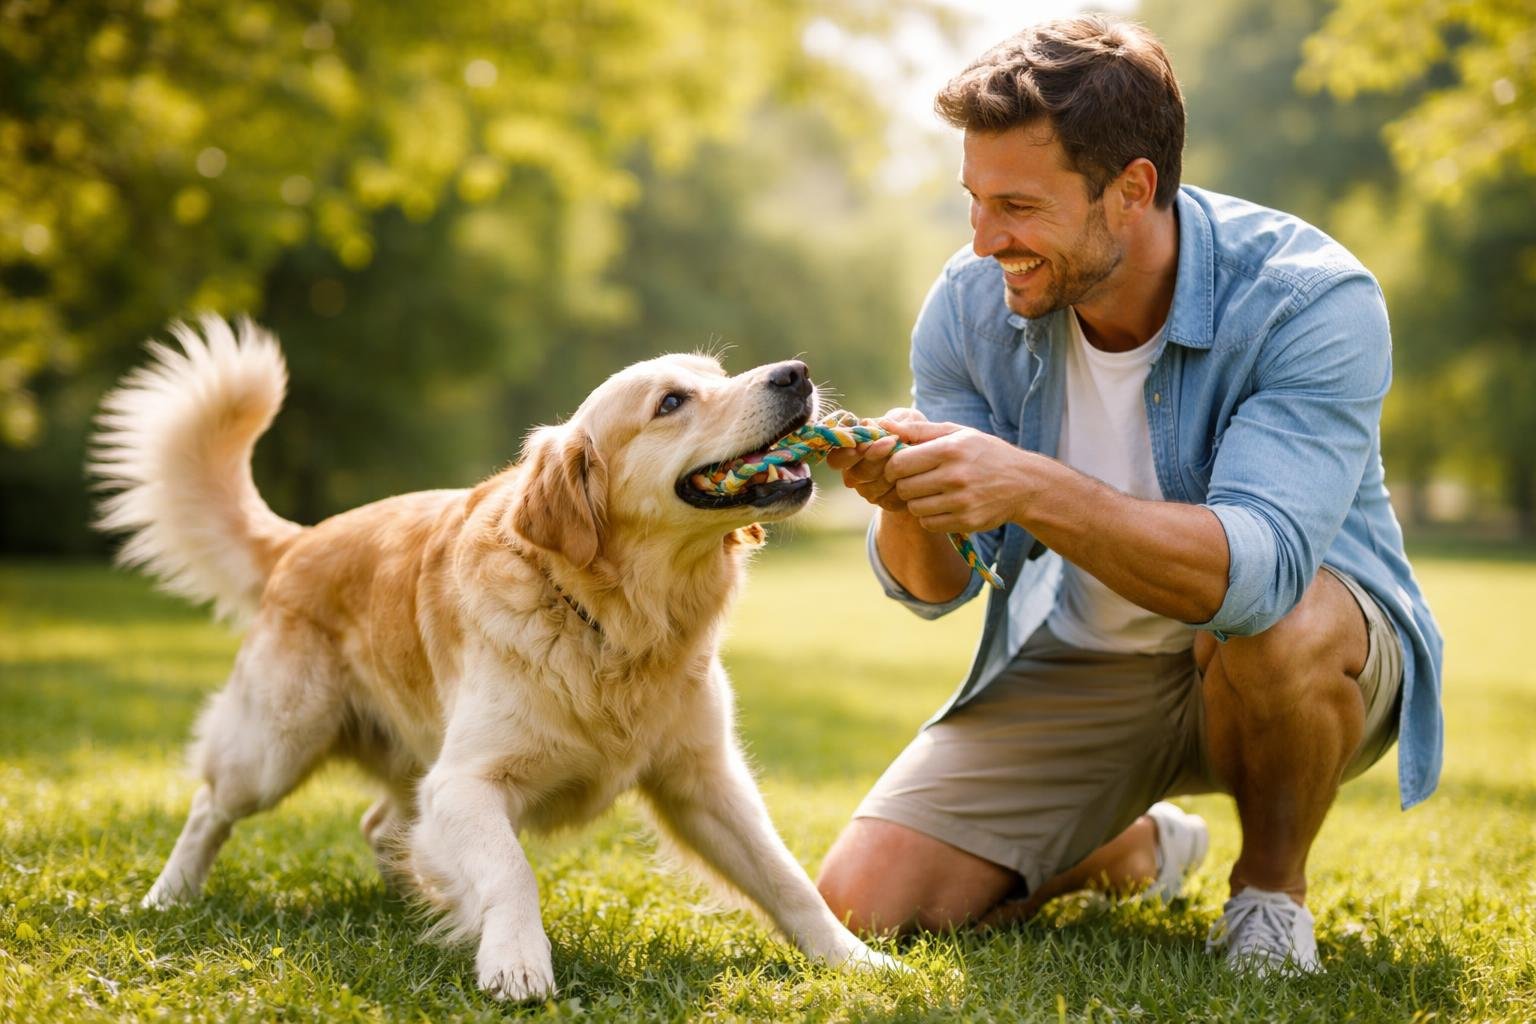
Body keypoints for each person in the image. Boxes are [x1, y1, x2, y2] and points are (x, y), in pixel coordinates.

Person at [814, 15, 1443, 976]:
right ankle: (1138, 845)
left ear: (1132, 190)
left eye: (1016, 206)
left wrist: (1027, 482)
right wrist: (905, 499)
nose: (984, 240)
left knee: (1282, 623)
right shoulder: (970, 302)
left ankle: (1269, 894)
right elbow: (938, 589)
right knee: (863, 905)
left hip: (1297, 656)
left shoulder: (1308, 297)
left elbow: (1263, 575)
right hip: (1090, 659)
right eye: (973, 202)